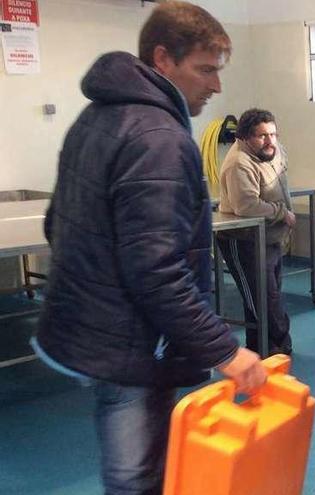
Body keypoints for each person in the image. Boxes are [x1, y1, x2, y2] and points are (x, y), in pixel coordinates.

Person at [33, 3, 266, 493]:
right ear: (163, 59)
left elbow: (58, 224)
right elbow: (158, 272)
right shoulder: (159, 137)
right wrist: (226, 351)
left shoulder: (95, 118)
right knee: (136, 479)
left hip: (92, 331)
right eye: (205, 70)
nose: (216, 86)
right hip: (132, 344)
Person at [217, 108, 294, 356]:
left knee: (268, 294)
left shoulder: (272, 150)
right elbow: (247, 205)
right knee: (262, 298)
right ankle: (281, 347)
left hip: (269, 237)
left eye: (273, 134)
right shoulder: (239, 163)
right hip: (244, 241)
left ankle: (261, 348)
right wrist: (282, 212)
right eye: (262, 136)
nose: (271, 140)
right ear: (245, 137)